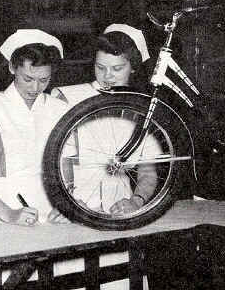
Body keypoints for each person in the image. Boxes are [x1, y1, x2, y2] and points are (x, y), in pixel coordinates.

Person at [0, 29, 71, 227]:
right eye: (28, 79)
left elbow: (67, 163)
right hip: (0, 211)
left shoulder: (60, 109)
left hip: (53, 211)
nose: (35, 88)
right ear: (12, 67)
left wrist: (66, 204)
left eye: (44, 80)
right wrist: (8, 214)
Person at [52, 24, 159, 214]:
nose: (107, 76)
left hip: (119, 209)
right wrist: (69, 202)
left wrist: (136, 201)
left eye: (117, 68)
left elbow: (148, 172)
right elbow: (58, 160)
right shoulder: (68, 98)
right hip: (73, 206)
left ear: (133, 67)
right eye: (100, 67)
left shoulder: (142, 109)